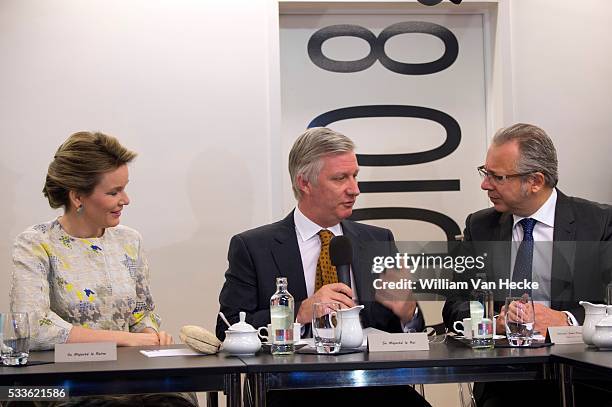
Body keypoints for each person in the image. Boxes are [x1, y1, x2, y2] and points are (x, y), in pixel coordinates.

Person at [217, 127, 429, 406]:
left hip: (373, 387)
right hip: (291, 389)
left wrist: (409, 313)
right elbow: (228, 326)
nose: (355, 189)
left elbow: (408, 331)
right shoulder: (254, 247)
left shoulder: (378, 239)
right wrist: (298, 313)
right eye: (340, 178)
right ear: (304, 182)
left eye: (355, 176)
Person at [10, 131, 196, 406]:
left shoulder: (129, 240)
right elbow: (35, 328)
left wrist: (147, 334)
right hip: (61, 384)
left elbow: (141, 313)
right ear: (77, 197)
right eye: (113, 192)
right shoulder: (36, 243)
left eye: (125, 187)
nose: (126, 199)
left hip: (129, 377)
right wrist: (124, 340)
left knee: (175, 400)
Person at [442, 123, 612, 407]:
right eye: (485, 173)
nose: (485, 185)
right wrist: (492, 321)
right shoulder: (479, 226)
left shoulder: (598, 224)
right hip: (505, 384)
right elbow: (455, 305)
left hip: (585, 381)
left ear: (535, 181)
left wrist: (566, 321)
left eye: (497, 177)